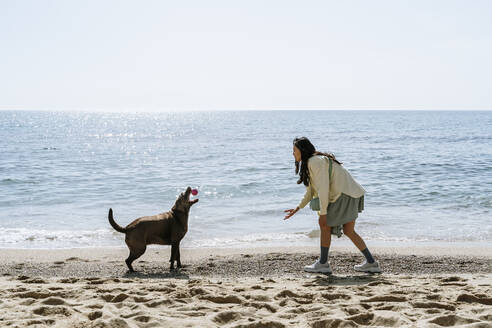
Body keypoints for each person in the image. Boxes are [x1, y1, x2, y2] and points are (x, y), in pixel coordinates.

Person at [284, 137, 381, 274]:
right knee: (348, 231)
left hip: (345, 194)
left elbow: (323, 188)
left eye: (294, 150)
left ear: (302, 150)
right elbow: (311, 191)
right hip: (351, 193)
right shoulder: (312, 162)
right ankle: (371, 263)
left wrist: (323, 213)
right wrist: (298, 208)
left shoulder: (315, 162)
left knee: (324, 224)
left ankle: (323, 263)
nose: (292, 153)